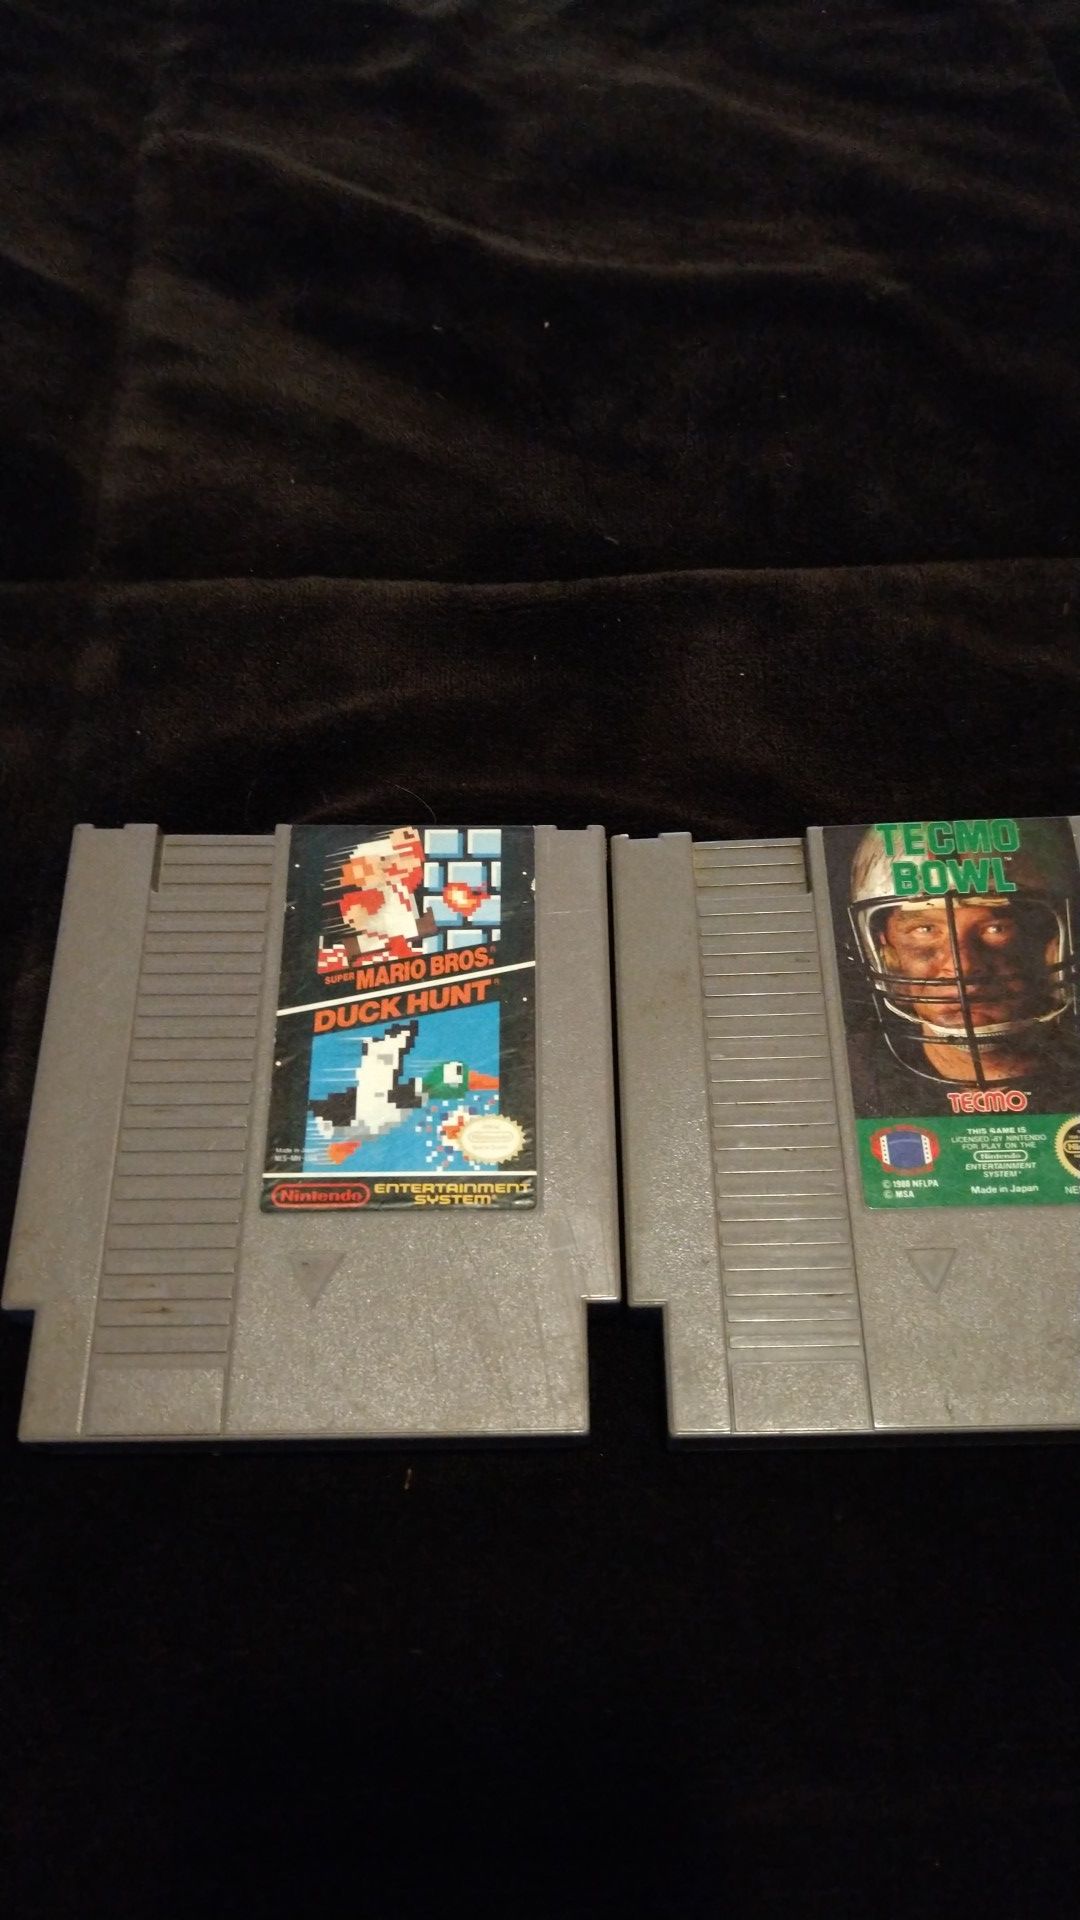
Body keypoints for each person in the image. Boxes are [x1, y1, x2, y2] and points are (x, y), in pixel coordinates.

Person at [844, 820, 1080, 1115]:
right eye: (925, 930)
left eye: (996, 928)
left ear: (1049, 944)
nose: (962, 967)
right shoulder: (851, 1076)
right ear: (888, 951)